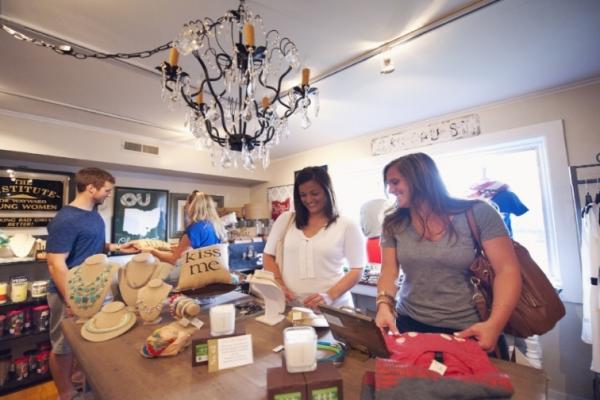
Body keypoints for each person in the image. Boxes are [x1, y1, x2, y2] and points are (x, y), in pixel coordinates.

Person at [374, 153, 522, 353]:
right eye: (388, 184)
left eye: (395, 182)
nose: (390, 189)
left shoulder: (478, 212)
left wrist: (494, 326)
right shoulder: (393, 222)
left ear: (420, 179)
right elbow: (389, 271)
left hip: (467, 328)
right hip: (407, 323)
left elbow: (507, 271)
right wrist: (384, 305)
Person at [46, 167, 138, 400]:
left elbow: (93, 245)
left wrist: (116, 247)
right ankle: (65, 394)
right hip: (67, 293)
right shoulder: (65, 219)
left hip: (93, 290)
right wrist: (71, 298)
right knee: (63, 346)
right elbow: (56, 264)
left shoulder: (93, 215)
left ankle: (80, 384)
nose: (108, 194)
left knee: (86, 341)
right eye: (106, 190)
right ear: (91, 188)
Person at [263, 166, 366, 308]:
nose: (309, 199)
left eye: (314, 193)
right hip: (292, 307)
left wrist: (329, 296)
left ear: (327, 191)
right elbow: (268, 256)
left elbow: (357, 269)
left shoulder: (347, 225)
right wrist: (279, 284)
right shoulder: (285, 220)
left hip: (334, 308)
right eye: (303, 195)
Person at [151, 190, 226, 265]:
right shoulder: (215, 226)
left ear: (192, 206)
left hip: (196, 273)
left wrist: (153, 252)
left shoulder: (195, 228)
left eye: (187, 204)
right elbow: (197, 251)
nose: (186, 207)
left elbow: (174, 260)